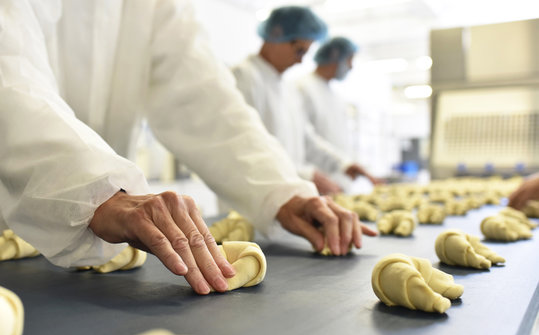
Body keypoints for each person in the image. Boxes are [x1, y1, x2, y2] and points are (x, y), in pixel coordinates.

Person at [0, 0, 376, 295]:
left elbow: (204, 98)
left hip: (108, 238)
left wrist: (281, 190)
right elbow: (8, 74)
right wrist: (87, 187)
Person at [232, 7, 379, 196]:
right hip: (251, 199)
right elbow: (249, 147)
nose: (301, 62)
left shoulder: (285, 87)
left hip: (284, 198)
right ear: (276, 35)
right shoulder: (243, 78)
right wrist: (305, 174)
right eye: (300, 51)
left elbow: (307, 139)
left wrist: (344, 164)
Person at [296, 36, 382, 185]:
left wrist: (347, 164)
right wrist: (307, 174)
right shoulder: (302, 88)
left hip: (338, 179)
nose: (351, 67)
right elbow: (304, 140)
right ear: (335, 56)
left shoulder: (335, 96)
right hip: (314, 180)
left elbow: (339, 140)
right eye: (349, 60)